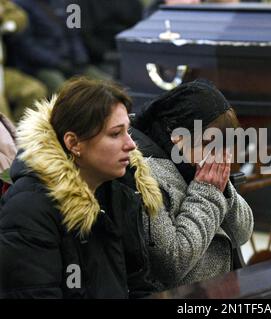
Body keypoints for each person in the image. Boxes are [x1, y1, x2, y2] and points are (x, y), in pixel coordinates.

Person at [0, 77, 163, 298]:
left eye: (128, 131)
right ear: (74, 143)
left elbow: (139, 285)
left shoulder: (120, 193)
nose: (131, 144)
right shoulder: (28, 211)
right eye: (115, 134)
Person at [129, 80, 254, 291]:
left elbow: (242, 233)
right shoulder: (144, 174)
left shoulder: (198, 166)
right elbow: (171, 264)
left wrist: (222, 188)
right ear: (177, 137)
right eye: (210, 144)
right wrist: (207, 193)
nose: (220, 156)